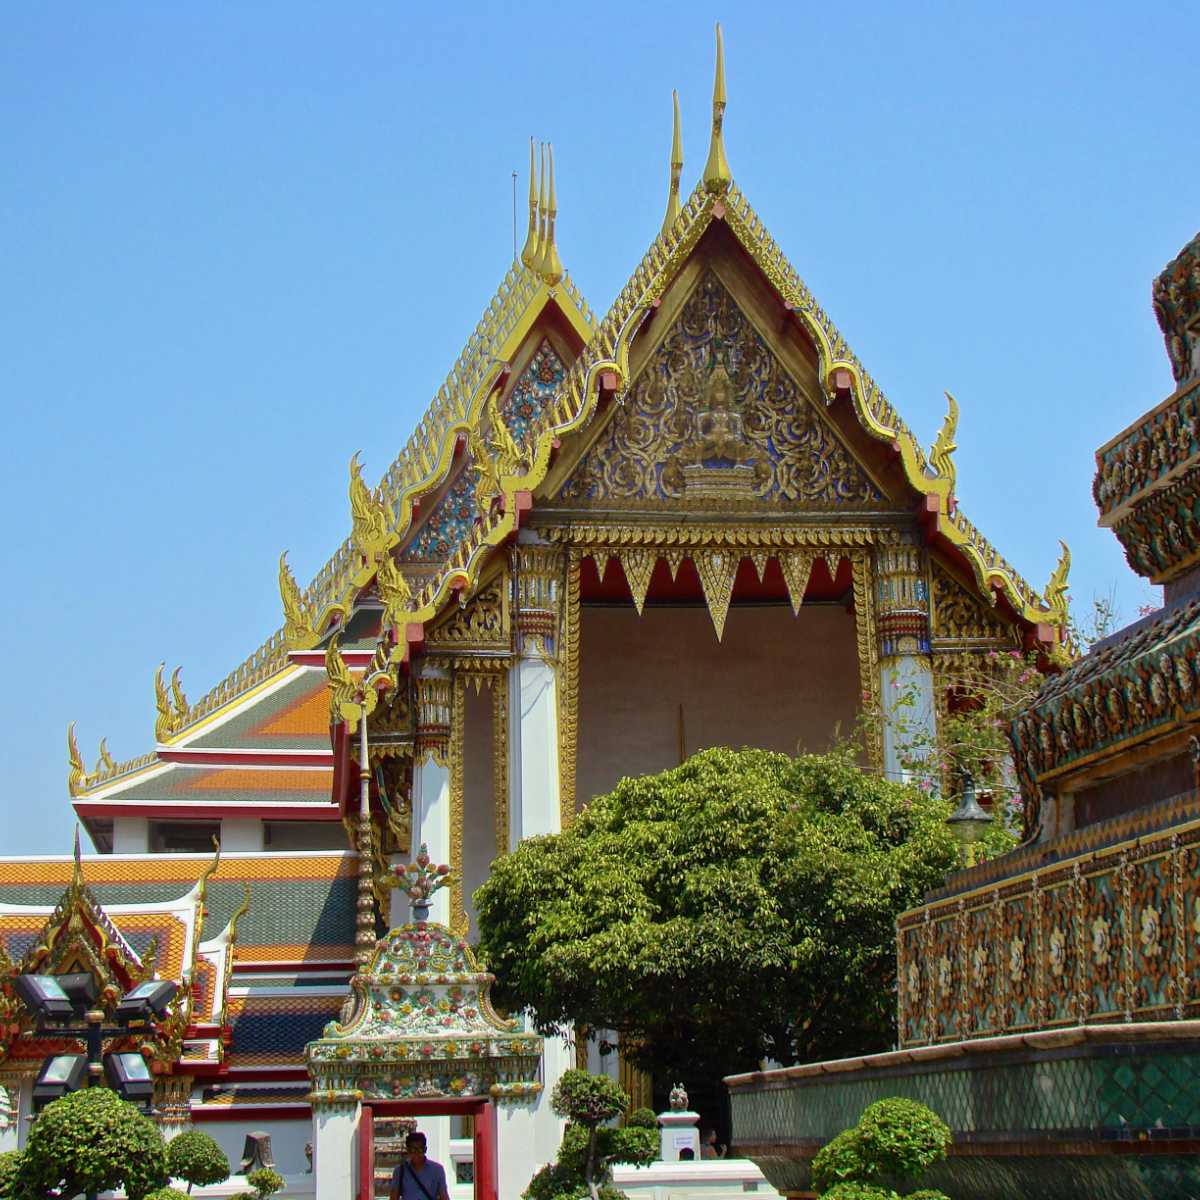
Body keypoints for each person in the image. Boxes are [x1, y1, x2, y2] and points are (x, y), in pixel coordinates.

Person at [389, 1131, 449, 1200]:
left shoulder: (437, 1170)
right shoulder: (399, 1171)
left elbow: (444, 1196)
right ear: (408, 1150)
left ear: (425, 1149)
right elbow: (393, 1197)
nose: (417, 1153)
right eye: (413, 1150)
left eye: (420, 1149)